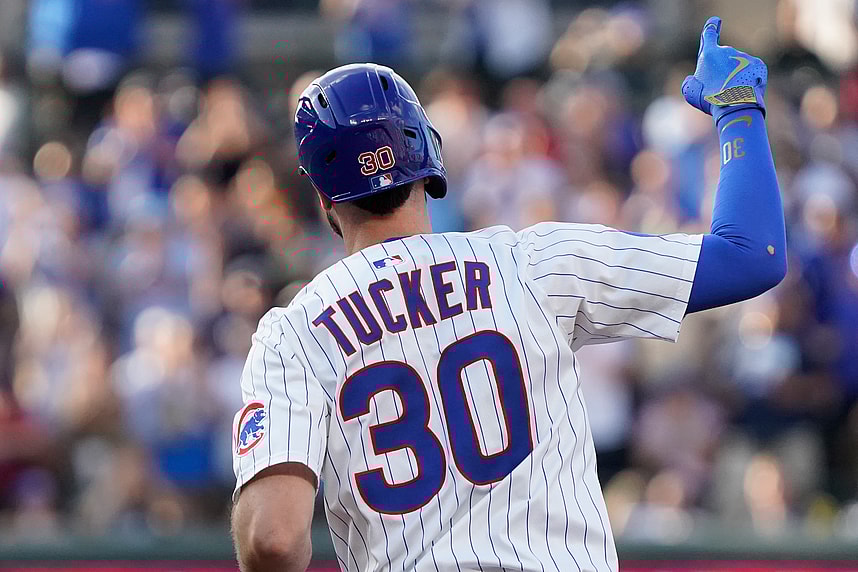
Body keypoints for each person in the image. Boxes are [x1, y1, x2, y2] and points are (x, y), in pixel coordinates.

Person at [230, 17, 786, 572]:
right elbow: (749, 255)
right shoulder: (531, 263)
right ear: (427, 156)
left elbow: (272, 540)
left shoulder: (295, 332)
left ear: (323, 195)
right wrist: (737, 106)